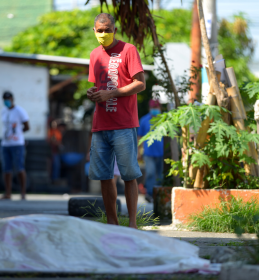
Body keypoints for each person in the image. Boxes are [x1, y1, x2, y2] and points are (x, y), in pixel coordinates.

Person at [87, 13, 146, 229]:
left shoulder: (128, 50)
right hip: (101, 124)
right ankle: (112, 224)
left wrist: (111, 94)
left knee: (129, 175)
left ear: (115, 30)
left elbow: (140, 84)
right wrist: (93, 92)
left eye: (107, 30)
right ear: (94, 31)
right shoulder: (94, 55)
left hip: (123, 123)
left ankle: (132, 225)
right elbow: (97, 85)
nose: (103, 34)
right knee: (104, 176)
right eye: (99, 31)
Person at [1, 91, 30, 200]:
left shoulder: (20, 111)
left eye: (8, 99)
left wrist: (17, 134)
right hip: (5, 143)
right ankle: (8, 193)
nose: (7, 101)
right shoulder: (3, 111)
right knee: (6, 169)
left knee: (19, 167)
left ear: (12, 99)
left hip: (17, 144)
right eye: (5, 99)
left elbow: (27, 126)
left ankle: (23, 192)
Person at [137, 100, 164, 203]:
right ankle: (149, 193)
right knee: (150, 173)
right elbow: (139, 137)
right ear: (149, 108)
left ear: (160, 108)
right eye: (153, 108)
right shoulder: (144, 120)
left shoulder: (164, 119)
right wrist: (138, 152)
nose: (155, 110)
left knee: (160, 175)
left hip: (162, 153)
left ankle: (158, 195)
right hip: (148, 153)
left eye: (157, 108)